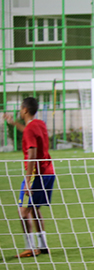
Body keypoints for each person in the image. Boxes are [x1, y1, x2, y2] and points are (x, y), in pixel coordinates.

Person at [5, 97, 55, 259]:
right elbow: (28, 131)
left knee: (23, 211)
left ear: (25, 110)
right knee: (34, 209)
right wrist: (13, 123)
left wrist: (27, 180)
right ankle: (43, 245)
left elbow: (32, 152)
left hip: (36, 174)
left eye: (20, 108)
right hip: (48, 172)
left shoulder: (30, 129)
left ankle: (30, 247)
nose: (19, 110)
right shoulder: (39, 124)